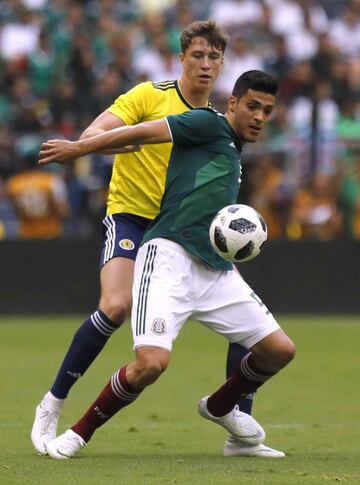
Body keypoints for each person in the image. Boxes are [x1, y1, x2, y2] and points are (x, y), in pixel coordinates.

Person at [31, 20, 280, 458]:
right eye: (197, 55)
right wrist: (124, 147)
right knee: (114, 306)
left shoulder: (223, 120)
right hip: (133, 217)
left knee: (245, 316)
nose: (205, 64)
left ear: (222, 64)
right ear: (181, 57)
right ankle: (52, 402)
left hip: (188, 228)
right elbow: (92, 136)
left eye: (213, 57)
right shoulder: (150, 95)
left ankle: (236, 425)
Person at [5, 157, 69, 239]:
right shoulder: (51, 180)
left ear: (23, 166)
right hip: (51, 233)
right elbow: (63, 211)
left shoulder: (14, 183)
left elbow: (15, 210)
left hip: (26, 234)